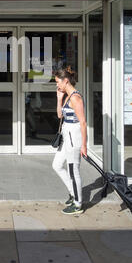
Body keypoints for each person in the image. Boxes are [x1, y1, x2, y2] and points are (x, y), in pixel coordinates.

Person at [52, 66, 87, 215]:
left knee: (73, 170)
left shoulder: (75, 97)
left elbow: (83, 122)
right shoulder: (66, 96)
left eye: (58, 82)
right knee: (57, 165)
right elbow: (60, 116)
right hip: (66, 134)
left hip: (74, 135)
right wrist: (59, 99)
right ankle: (74, 193)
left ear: (66, 81)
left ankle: (78, 203)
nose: (57, 85)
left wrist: (84, 145)